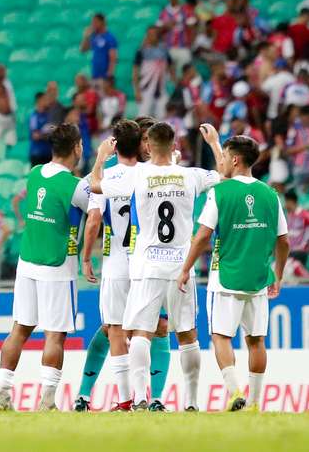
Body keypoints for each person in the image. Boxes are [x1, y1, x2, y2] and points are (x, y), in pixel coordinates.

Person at [90, 122, 224, 411]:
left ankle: (140, 398)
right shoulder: (190, 175)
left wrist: (101, 157)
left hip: (147, 264)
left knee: (141, 332)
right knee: (187, 333)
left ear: (148, 146)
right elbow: (225, 173)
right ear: (174, 146)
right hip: (181, 266)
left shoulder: (137, 175)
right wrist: (214, 143)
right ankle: (190, 402)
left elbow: (95, 184)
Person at [178, 135, 289, 412]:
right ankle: (254, 404)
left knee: (220, 336)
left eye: (225, 157)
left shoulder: (220, 193)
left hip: (225, 277)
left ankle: (234, 392)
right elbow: (284, 241)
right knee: (256, 340)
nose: (223, 161)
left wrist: (185, 268)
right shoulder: (270, 194)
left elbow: (202, 236)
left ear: (235, 160)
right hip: (259, 279)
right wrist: (279, 273)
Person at [0, 124, 90, 411]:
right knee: (55, 334)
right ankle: (47, 400)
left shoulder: (34, 174)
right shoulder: (74, 185)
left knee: (19, 330)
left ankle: (1, 392)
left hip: (27, 264)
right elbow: (96, 202)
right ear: (77, 148)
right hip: (57, 267)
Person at [81, 120, 142, 411]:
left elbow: (93, 219)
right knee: (145, 330)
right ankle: (147, 397)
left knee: (115, 328)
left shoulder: (106, 176)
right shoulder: (149, 174)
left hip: (117, 260)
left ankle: (126, 399)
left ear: (114, 144)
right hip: (145, 261)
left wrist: (85, 257)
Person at [133, 26, 174, 119]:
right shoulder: (141, 51)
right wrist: (137, 91)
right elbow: (135, 71)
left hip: (162, 90)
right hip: (145, 89)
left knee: (163, 117)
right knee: (143, 117)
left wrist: (173, 80)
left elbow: (171, 65)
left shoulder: (164, 49)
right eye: (150, 34)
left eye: (154, 34)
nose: (152, 36)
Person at [159, 0, 195, 75]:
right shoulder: (163, 12)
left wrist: (190, 44)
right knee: (167, 74)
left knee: (183, 73)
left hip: (182, 47)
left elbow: (192, 28)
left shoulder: (186, 11)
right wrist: (166, 26)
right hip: (168, 47)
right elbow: (158, 31)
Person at [80, 14, 118, 88]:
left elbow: (113, 57)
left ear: (102, 22)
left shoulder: (110, 37)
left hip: (104, 77)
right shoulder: (94, 36)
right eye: (92, 22)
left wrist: (110, 75)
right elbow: (83, 50)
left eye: (95, 22)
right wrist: (86, 37)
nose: (92, 24)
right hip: (94, 75)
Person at [29, 92, 54, 166]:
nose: (48, 101)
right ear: (39, 101)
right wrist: (47, 135)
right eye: (45, 99)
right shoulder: (34, 116)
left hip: (49, 154)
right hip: (37, 154)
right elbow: (35, 136)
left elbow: (54, 130)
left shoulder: (49, 116)